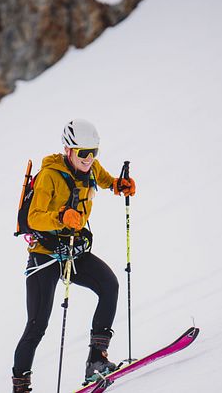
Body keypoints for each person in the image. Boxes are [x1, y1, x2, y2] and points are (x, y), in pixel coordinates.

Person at [12, 119, 136, 393]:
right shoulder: (50, 175)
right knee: (37, 326)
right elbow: (34, 217)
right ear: (69, 150)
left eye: (94, 152)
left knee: (109, 285)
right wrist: (61, 216)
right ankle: (20, 387)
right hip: (44, 257)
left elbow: (106, 181)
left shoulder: (91, 169)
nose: (89, 158)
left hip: (73, 251)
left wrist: (120, 185)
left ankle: (96, 361)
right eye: (83, 152)